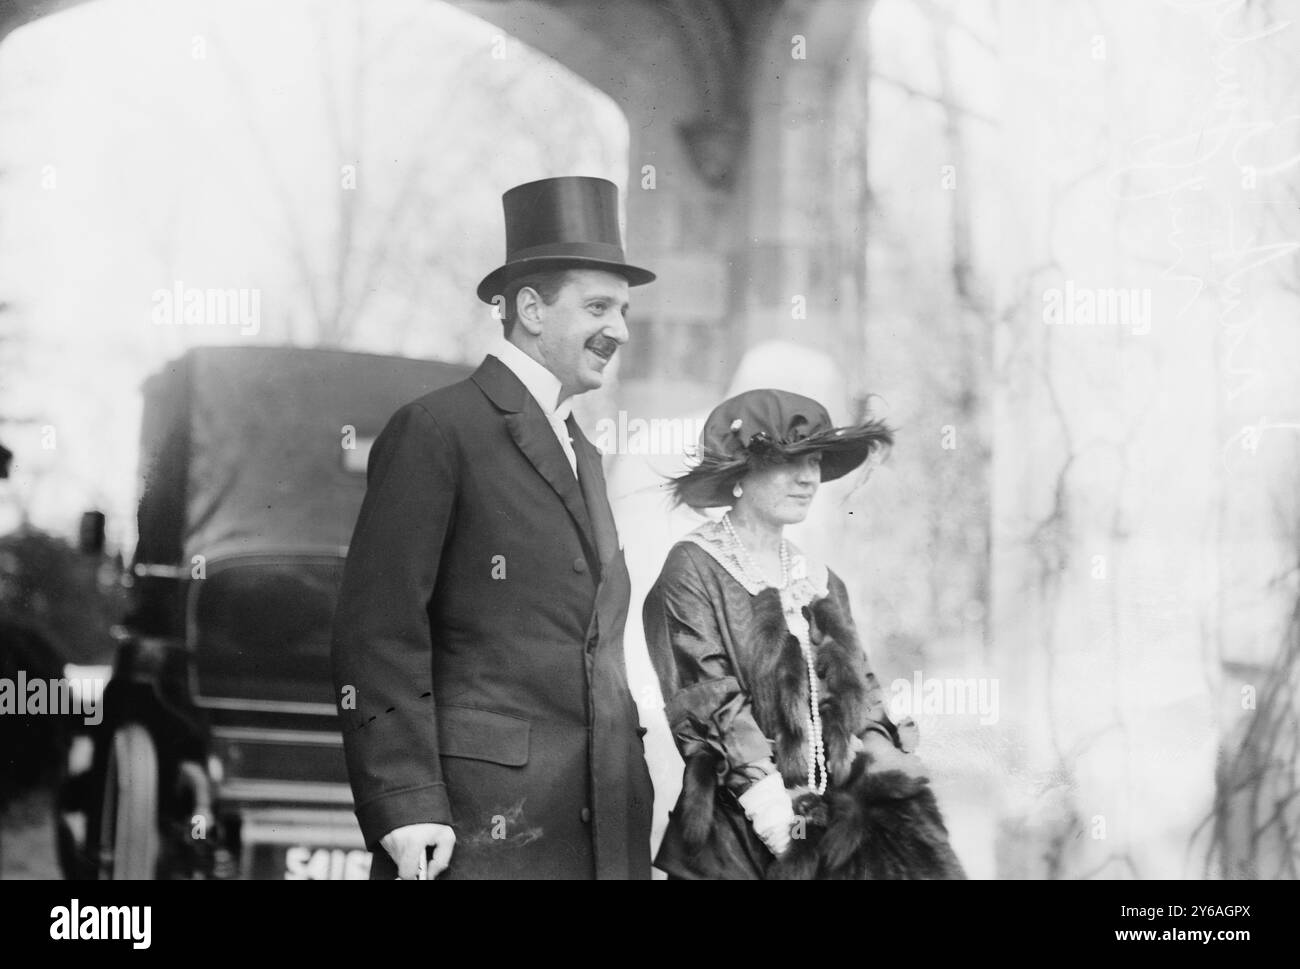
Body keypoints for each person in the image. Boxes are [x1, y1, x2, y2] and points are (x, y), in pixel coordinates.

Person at [331, 176, 655, 880]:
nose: (620, 330)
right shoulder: (439, 429)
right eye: (598, 306)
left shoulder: (585, 453)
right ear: (531, 310)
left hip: (595, 836)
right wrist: (407, 799)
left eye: (624, 310)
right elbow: (379, 629)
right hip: (478, 836)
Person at [643, 389, 966, 879]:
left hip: (833, 840)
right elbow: (713, 709)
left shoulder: (821, 580)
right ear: (740, 471)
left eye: (815, 461)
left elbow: (865, 700)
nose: (809, 478)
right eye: (789, 462)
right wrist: (785, 829)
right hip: (738, 839)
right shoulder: (693, 569)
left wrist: (893, 789)